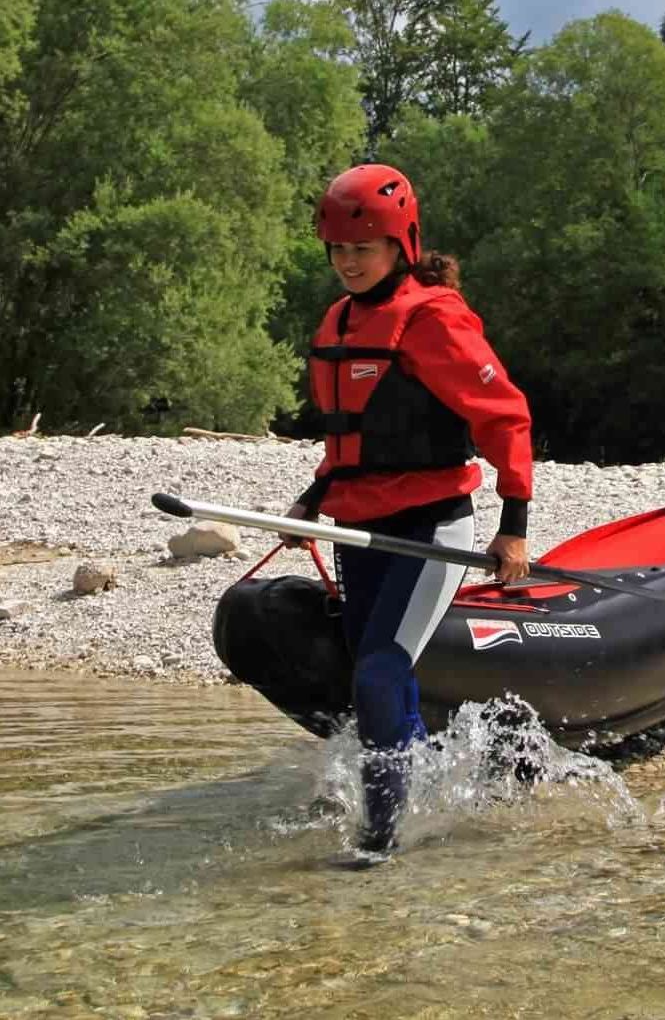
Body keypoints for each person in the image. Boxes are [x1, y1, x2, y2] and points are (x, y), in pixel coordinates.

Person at [283, 163, 533, 855]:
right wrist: (314, 496)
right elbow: (350, 436)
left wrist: (514, 526)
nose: (348, 262)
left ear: (402, 244)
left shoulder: (431, 320)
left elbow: (506, 416)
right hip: (358, 529)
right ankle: (427, 794)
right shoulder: (339, 320)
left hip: (429, 527)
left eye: (362, 248)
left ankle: (381, 838)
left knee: (378, 672)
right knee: (377, 674)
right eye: (337, 249)